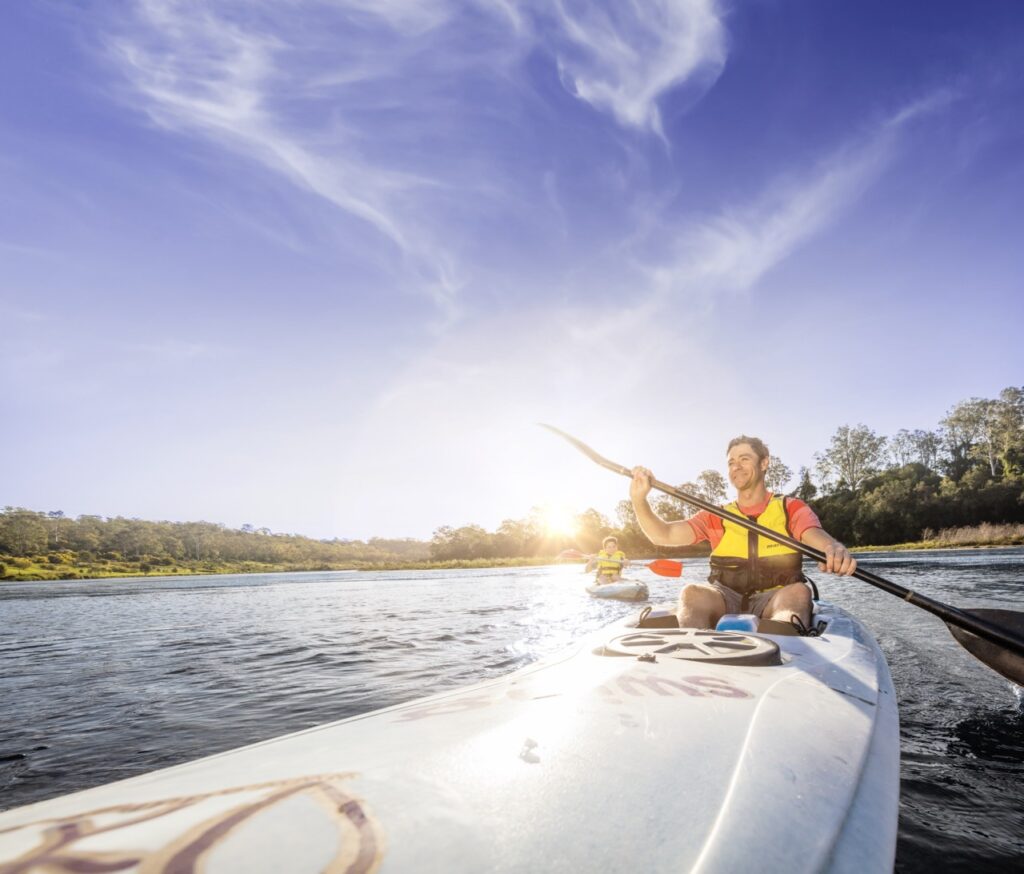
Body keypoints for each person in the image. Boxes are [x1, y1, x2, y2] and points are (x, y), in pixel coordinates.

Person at [629, 435, 856, 629]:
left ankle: (783, 648)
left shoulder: (790, 508)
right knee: (692, 593)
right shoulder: (716, 515)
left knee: (799, 592)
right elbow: (663, 535)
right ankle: (691, 654)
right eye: (731, 462)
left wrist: (831, 548)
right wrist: (639, 500)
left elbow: (814, 534)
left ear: (764, 463)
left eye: (744, 459)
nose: (736, 466)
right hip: (725, 597)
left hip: (775, 598)